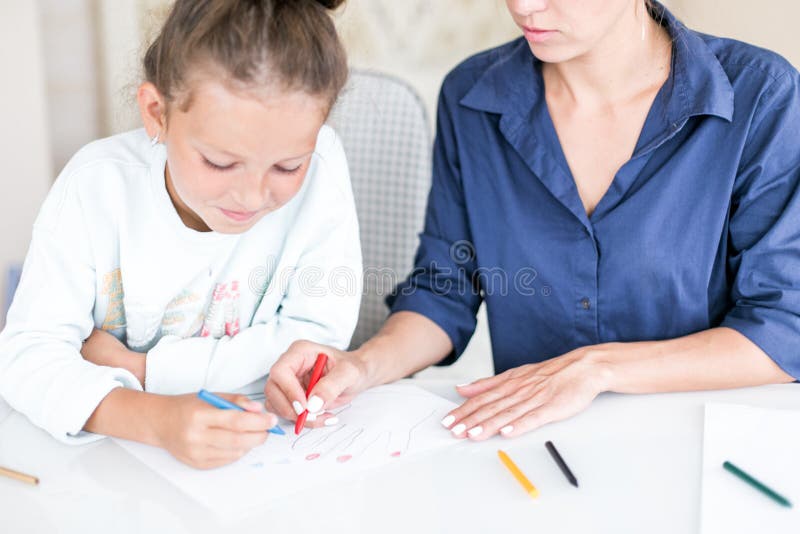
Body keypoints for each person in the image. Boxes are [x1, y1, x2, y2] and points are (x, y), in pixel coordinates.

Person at [266, 0, 800, 441]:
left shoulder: (760, 97)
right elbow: (444, 291)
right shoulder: (472, 99)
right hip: (530, 450)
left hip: (706, 449)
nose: (523, 7)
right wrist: (361, 367)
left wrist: (596, 369)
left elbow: (782, 330)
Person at [0, 0, 359, 469]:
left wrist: (142, 371)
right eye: (220, 162)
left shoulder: (324, 169)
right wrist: (153, 419)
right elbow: (28, 356)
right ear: (156, 112)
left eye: (288, 165)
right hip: (107, 470)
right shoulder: (96, 187)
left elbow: (315, 341)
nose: (252, 197)